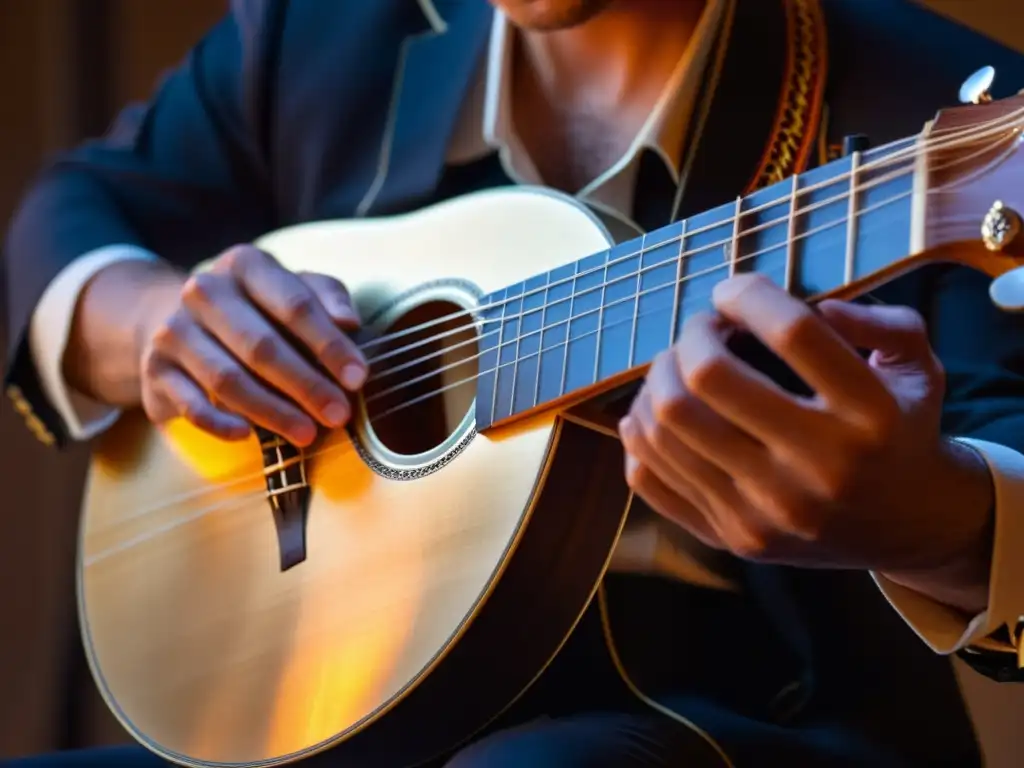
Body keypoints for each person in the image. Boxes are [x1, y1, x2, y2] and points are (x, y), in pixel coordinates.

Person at [5, 0, 1024, 765]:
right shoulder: (320, 38)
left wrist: (935, 522)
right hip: (333, 703)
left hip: (745, 718)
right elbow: (74, 214)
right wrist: (150, 323)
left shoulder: (938, 112)